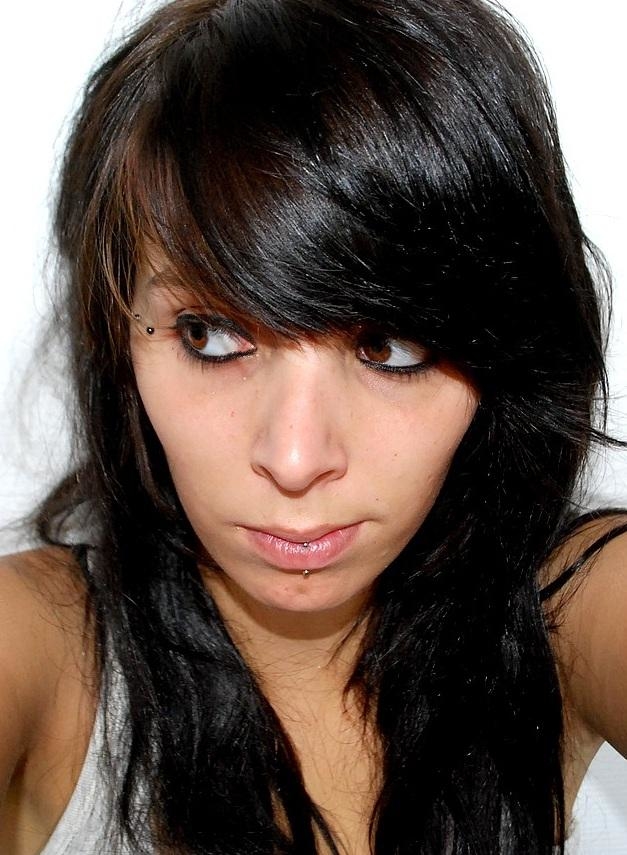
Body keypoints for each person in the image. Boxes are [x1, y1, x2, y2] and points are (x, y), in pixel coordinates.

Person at [0, 0, 625, 852]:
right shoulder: (38, 645)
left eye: (391, 346)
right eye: (209, 335)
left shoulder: (566, 614)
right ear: (119, 338)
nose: (295, 459)